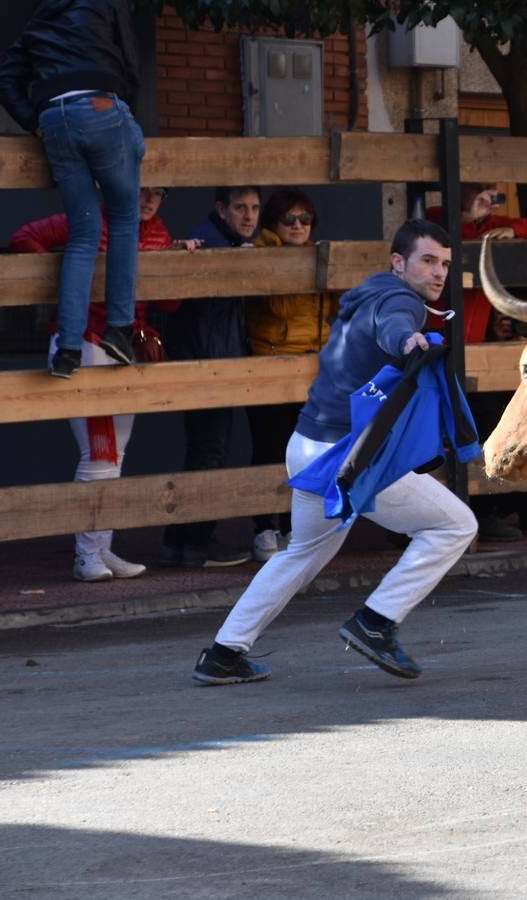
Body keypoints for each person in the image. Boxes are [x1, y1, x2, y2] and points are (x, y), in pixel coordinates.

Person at [191, 218, 478, 686]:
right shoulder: (399, 301)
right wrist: (409, 341)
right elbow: (396, 327)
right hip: (346, 458)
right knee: (455, 525)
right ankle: (376, 621)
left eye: (445, 263)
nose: (438, 272)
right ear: (398, 262)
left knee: (300, 553)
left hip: (306, 446)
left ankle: (223, 653)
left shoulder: (368, 292)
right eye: (428, 260)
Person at [8, 186, 197, 581]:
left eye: (158, 193)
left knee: (115, 455)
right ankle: (86, 556)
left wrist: (177, 265)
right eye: (142, 190)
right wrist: (67, 282)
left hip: (125, 350)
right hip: (83, 343)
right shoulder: (90, 218)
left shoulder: (161, 233)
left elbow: (168, 305)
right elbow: (24, 237)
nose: (147, 199)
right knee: (100, 453)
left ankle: (100, 549)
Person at [0, 0, 145, 378]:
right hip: (100, 106)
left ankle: (68, 350)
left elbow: (2, 81)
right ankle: (120, 331)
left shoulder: (39, 18)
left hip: (55, 120)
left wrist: (35, 122)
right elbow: (130, 59)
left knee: (82, 235)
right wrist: (126, 115)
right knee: (124, 218)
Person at [159, 186, 260, 569]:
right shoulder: (211, 244)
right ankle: (199, 545)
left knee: (203, 452)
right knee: (210, 453)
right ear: (222, 209)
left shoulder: (228, 243)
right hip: (209, 363)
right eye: (240, 208)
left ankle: (178, 542)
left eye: (254, 208)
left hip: (211, 360)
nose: (248, 216)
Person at [245, 187, 339, 561]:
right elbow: (278, 305)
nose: (299, 226)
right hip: (271, 363)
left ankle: (293, 527)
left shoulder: (317, 253)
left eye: (305, 219)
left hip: (313, 363)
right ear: (273, 223)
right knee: (270, 446)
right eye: (289, 219)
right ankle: (264, 529)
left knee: (306, 449)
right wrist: (298, 263)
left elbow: (334, 305)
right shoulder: (262, 254)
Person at [427, 183, 527, 343]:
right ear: (460, 191)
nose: (485, 198)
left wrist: (514, 230)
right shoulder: (437, 215)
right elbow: (429, 231)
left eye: (490, 191)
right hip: (436, 330)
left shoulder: (497, 224)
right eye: (477, 190)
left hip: (475, 338)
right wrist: (465, 218)